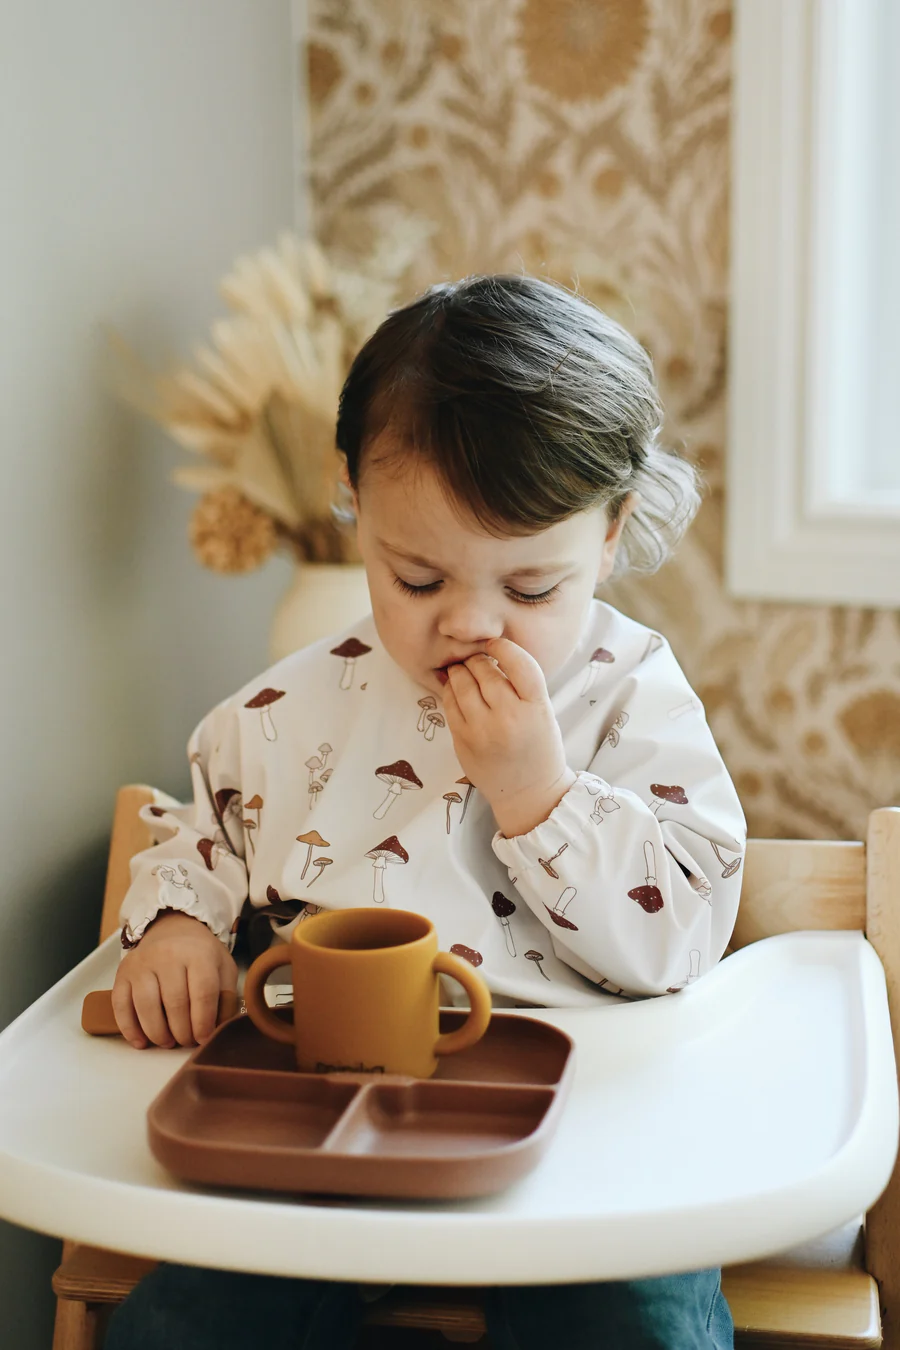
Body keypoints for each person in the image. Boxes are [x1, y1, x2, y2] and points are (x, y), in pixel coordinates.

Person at [106, 273, 744, 1350]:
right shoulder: (290, 708)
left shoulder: (631, 697)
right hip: (327, 1094)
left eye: (531, 591)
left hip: (585, 1112)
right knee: (191, 1320)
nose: (471, 626)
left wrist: (538, 796)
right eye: (416, 579)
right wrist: (177, 922)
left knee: (639, 1321)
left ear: (610, 532)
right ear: (351, 499)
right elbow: (202, 828)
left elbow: (686, 928)